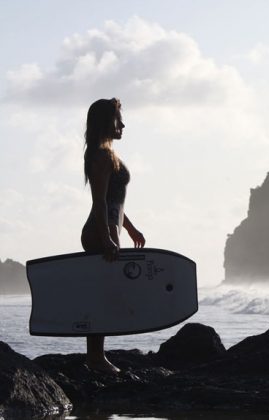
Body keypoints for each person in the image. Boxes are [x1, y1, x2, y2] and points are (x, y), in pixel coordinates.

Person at [81, 98, 146, 373]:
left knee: (104, 293)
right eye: (118, 118)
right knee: (103, 295)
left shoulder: (108, 155)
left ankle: (96, 357)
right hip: (101, 232)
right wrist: (107, 237)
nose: (123, 124)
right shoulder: (101, 157)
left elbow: (114, 201)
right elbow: (99, 202)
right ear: (107, 121)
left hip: (108, 229)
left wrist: (129, 227)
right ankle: (96, 359)